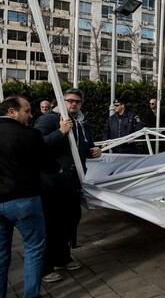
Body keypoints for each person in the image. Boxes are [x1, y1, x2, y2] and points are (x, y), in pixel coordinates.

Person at [34, 88, 102, 283]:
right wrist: (61, 131)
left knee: (71, 221)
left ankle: (61, 257)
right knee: (51, 225)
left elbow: (86, 146)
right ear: (61, 101)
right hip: (52, 183)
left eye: (77, 101)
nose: (73, 104)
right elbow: (38, 145)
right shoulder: (48, 119)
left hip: (73, 182)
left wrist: (94, 151)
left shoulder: (82, 122)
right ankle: (45, 267)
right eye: (70, 100)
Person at [1, 96, 60, 298]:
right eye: (26, 110)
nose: (31, 115)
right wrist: (58, 169)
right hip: (25, 200)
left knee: (1, 254)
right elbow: (49, 165)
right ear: (11, 111)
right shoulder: (30, 135)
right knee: (34, 248)